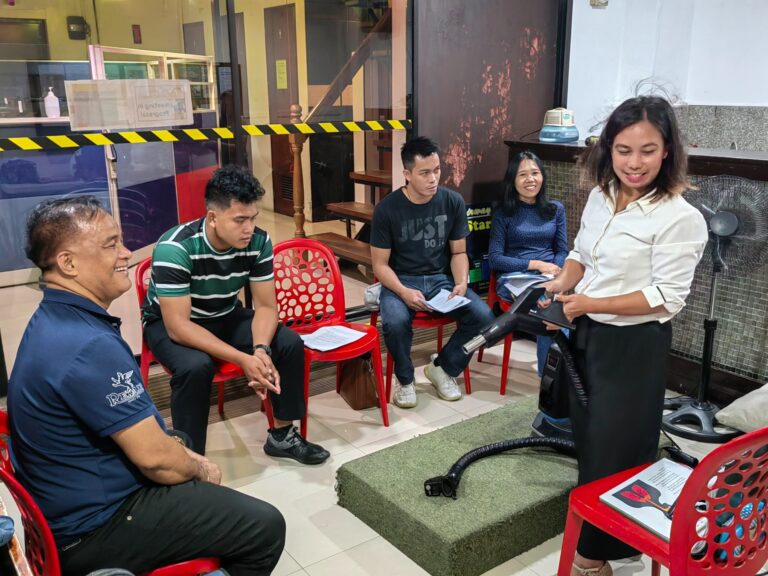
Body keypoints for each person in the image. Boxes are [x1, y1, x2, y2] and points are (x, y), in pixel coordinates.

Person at [9, 196, 285, 575]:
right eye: (110, 245)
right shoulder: (86, 344)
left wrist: (181, 454)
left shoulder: (54, 317)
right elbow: (156, 461)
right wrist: (199, 469)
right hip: (94, 528)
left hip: (71, 507)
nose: (126, 254)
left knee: (182, 445)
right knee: (264, 526)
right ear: (68, 263)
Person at [542, 96, 708, 576]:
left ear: (668, 151)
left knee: (618, 448)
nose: (634, 163)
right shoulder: (600, 195)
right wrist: (561, 284)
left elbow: (665, 297)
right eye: (623, 150)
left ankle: (593, 559)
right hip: (587, 336)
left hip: (634, 348)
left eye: (647, 150)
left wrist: (588, 303)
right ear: (607, 150)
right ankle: (613, 535)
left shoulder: (680, 218)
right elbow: (580, 254)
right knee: (591, 440)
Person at [142, 165, 329, 464]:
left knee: (289, 343)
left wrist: (260, 350)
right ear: (213, 217)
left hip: (224, 313)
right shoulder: (176, 247)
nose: (249, 228)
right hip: (169, 323)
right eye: (240, 220)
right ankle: (190, 460)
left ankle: (282, 436)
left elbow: (267, 307)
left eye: (253, 218)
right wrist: (243, 359)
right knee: (195, 367)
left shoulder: (258, 242)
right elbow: (177, 326)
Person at [370, 136, 495, 408]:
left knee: (484, 317)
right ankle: (405, 380)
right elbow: (379, 265)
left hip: (441, 280)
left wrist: (461, 283)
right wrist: (402, 291)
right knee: (394, 322)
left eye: (437, 170)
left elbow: (459, 252)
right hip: (400, 280)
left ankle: (444, 368)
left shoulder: (452, 202)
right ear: (406, 174)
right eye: (424, 173)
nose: (433, 178)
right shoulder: (387, 209)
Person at [487, 150, 568, 376]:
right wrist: (535, 264)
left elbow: (561, 250)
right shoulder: (504, 213)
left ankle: (568, 377)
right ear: (513, 180)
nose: (530, 179)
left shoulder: (555, 210)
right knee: (549, 313)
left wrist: (557, 274)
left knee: (571, 311)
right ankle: (548, 381)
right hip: (515, 277)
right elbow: (495, 259)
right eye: (523, 174)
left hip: (550, 277)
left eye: (535, 173)